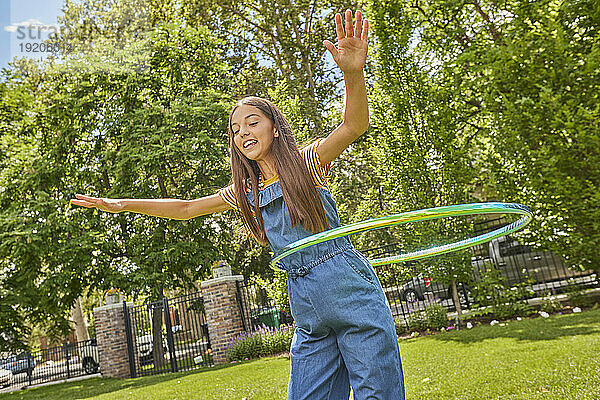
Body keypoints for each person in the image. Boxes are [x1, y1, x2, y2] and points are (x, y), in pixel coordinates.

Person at [71, 9, 405, 399]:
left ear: (273, 127)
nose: (242, 132)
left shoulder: (308, 162)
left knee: (376, 393)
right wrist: (123, 204)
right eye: (235, 129)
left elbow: (353, 126)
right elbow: (185, 208)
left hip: (347, 288)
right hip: (306, 304)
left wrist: (353, 72)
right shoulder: (244, 193)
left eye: (251, 122)